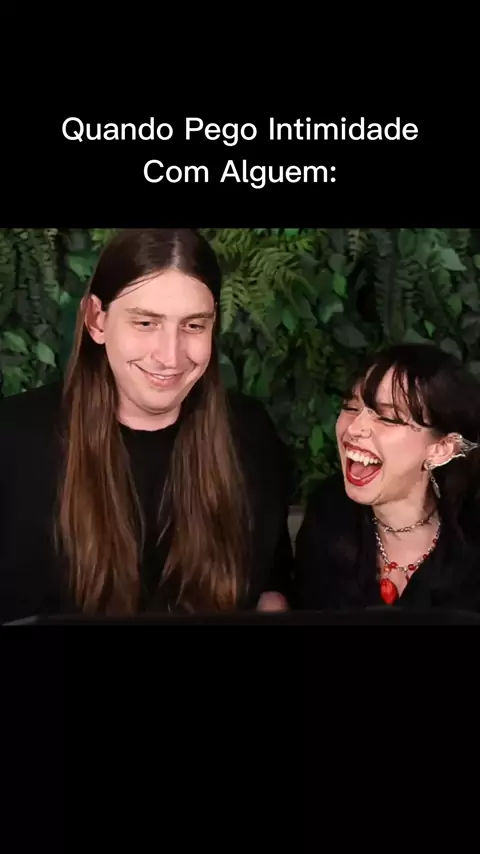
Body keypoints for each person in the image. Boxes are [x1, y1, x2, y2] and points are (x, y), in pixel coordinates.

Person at [0, 228, 293, 623]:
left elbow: (271, 590)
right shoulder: (14, 441)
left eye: (193, 326)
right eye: (145, 323)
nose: (170, 357)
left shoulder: (249, 435)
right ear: (96, 319)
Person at [291, 343, 480, 613]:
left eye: (388, 418)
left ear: (441, 449)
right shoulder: (329, 514)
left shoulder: (471, 543)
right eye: (351, 407)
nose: (355, 428)